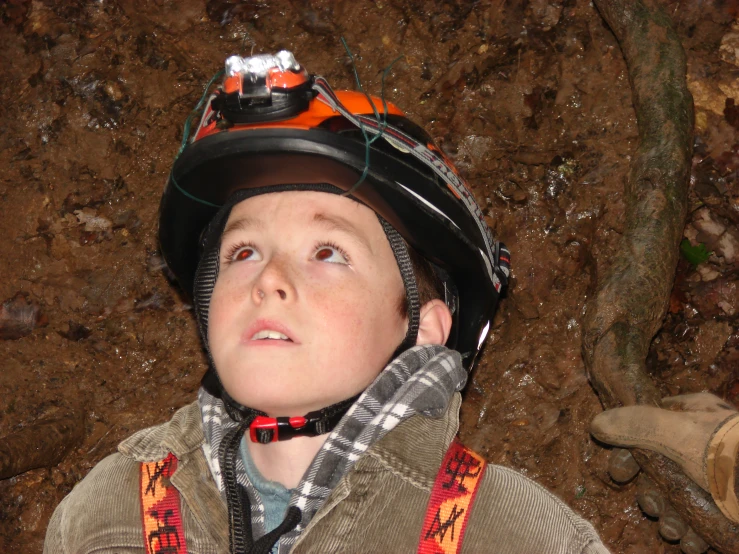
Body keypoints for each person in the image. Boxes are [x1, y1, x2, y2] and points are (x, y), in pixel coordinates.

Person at [43, 51, 610, 553]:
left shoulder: (510, 534)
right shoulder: (108, 515)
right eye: (242, 252)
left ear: (423, 328)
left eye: (327, 252)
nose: (268, 280)